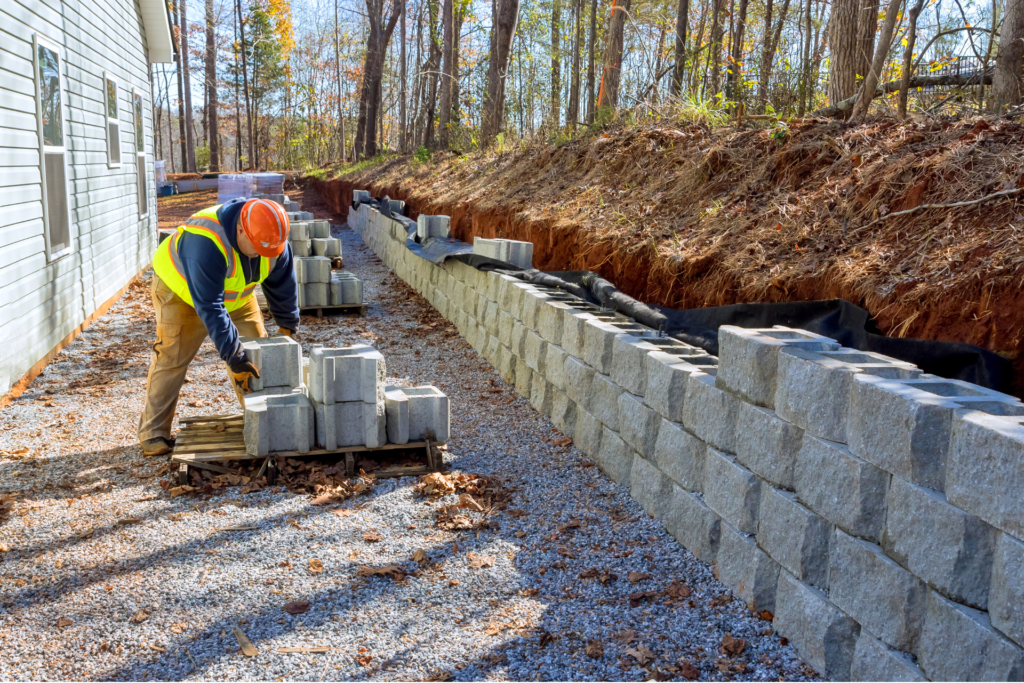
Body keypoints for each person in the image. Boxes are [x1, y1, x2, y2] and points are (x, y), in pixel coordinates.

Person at [137, 197, 301, 456]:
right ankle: (153, 432)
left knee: (259, 357)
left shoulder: (273, 241)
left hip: (237, 297)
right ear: (240, 230)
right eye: (257, 248)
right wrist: (234, 357)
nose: (261, 254)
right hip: (182, 293)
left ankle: (262, 422)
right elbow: (210, 307)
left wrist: (287, 327)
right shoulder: (205, 242)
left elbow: (282, 284)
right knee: (172, 357)